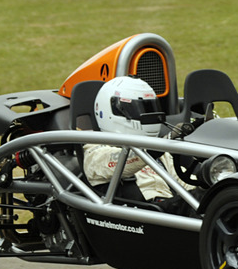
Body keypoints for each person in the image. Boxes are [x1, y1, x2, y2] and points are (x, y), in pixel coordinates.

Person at [83, 76, 194, 207]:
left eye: (149, 108)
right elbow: (125, 161)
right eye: (140, 109)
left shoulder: (156, 147)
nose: (148, 116)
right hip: (143, 214)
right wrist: (160, 146)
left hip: (170, 211)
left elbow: (187, 185)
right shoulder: (95, 150)